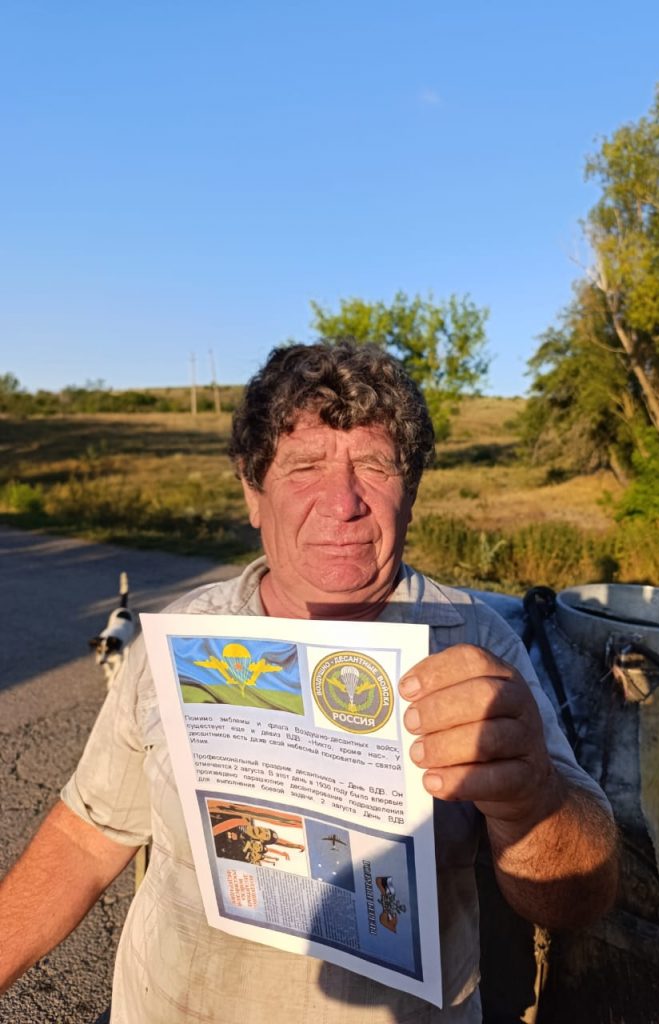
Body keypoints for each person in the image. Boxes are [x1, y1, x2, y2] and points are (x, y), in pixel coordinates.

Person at [0, 341, 618, 1023]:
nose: (343, 501)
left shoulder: (476, 645)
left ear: (411, 493)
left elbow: (576, 900)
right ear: (252, 492)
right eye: (304, 465)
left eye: (374, 465)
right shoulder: (181, 641)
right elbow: (87, 837)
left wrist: (531, 798)